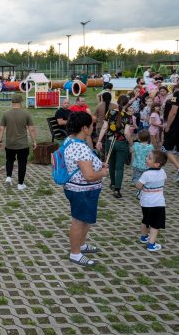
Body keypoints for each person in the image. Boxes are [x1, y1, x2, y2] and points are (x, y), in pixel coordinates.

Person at [63, 112, 108, 267]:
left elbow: (83, 164)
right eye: (91, 125)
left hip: (80, 189)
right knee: (79, 221)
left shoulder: (70, 140)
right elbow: (89, 176)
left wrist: (99, 164)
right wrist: (102, 172)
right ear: (84, 128)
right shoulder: (80, 147)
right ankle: (75, 253)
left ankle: (81, 245)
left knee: (85, 220)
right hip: (82, 191)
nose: (93, 128)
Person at [96, 95, 133, 198]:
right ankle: (117, 190)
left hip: (110, 141)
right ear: (127, 104)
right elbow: (126, 133)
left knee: (111, 164)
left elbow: (104, 127)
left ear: (117, 102)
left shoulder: (110, 112)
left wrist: (99, 140)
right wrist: (131, 143)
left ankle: (112, 183)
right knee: (120, 167)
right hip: (122, 143)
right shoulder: (128, 116)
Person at [0, 95, 37, 190]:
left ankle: (8, 177)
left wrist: (0, 141)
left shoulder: (6, 114)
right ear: (20, 102)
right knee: (22, 164)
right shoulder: (26, 114)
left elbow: (1, 128)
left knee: (9, 160)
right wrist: (34, 141)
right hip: (22, 144)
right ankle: (20, 184)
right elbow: (31, 129)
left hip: (10, 144)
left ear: (12, 102)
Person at [135, 150, 167, 252]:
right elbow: (163, 180)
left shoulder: (146, 174)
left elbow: (138, 186)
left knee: (145, 220)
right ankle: (151, 244)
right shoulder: (163, 172)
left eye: (149, 158)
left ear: (157, 164)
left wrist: (138, 184)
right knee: (155, 225)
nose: (146, 159)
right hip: (158, 203)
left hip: (145, 203)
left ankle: (144, 237)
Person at [162, 81, 179, 183]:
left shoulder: (177, 94)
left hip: (176, 126)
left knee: (165, 148)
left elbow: (173, 111)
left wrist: (168, 125)